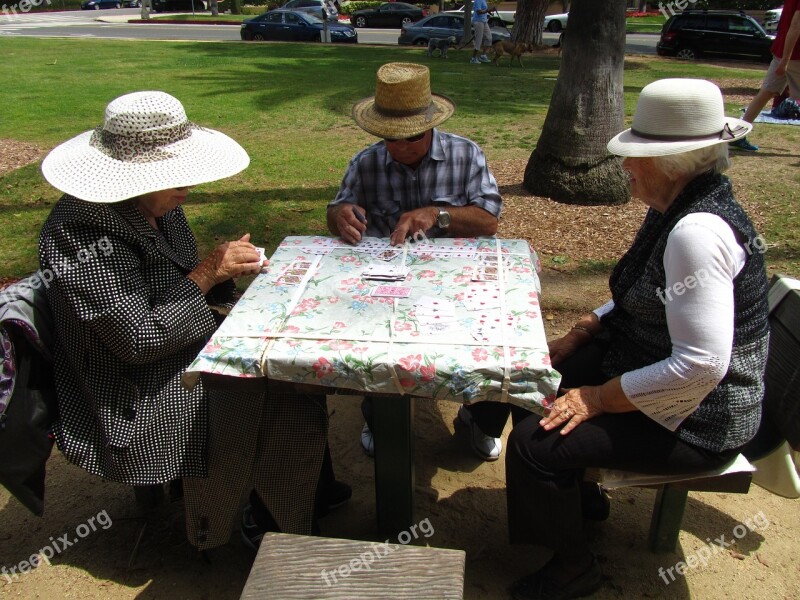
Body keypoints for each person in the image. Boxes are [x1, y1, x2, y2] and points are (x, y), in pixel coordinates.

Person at [505, 79, 769, 600]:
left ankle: (574, 567)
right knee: (534, 382)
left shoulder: (697, 233)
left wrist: (598, 398)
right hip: (655, 365)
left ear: (671, 162)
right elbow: (640, 291)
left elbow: (701, 367)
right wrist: (586, 328)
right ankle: (580, 504)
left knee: (534, 444)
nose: (626, 166)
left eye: (637, 155)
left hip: (702, 418)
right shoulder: (679, 204)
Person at [38, 91, 332, 550]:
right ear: (128, 175)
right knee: (273, 393)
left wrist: (225, 276)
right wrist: (209, 272)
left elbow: (176, 284)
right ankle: (249, 519)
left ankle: (304, 496)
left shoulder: (158, 206)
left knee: (297, 368)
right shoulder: (78, 234)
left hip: (172, 349)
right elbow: (138, 340)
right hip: (130, 392)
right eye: (173, 176)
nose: (187, 187)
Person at [327, 62, 509, 461]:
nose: (401, 147)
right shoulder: (366, 162)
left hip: (459, 281)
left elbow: (489, 221)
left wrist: (439, 214)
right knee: (373, 343)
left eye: (411, 138)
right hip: (387, 281)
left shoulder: (466, 154)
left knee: (497, 338)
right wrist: (339, 214)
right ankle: (381, 416)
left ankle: (480, 418)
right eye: (390, 138)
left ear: (431, 126)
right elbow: (338, 208)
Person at [732, 0, 800, 151]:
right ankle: (737, 135)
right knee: (766, 92)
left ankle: (737, 134)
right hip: (794, 56)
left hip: (781, 52)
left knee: (766, 92)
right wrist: (786, 60)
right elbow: (796, 26)